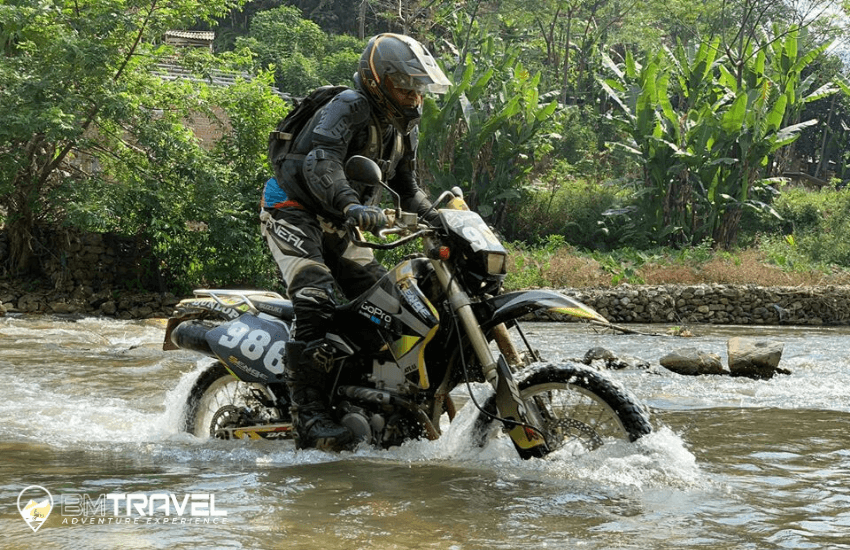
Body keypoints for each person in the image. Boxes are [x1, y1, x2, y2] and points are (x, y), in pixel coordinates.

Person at [260, 33, 451, 451]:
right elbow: (321, 160)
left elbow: (409, 188)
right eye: (405, 88)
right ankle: (308, 416)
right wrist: (351, 204)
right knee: (317, 298)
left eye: (418, 90)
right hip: (293, 210)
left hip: (342, 224)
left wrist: (444, 221)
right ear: (377, 80)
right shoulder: (349, 105)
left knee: (388, 306)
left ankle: (366, 399)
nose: (414, 98)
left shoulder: (401, 130)